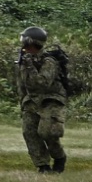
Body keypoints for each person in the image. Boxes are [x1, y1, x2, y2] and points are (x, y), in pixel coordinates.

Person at [14, 25, 71, 173]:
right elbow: (21, 83)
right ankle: (43, 165)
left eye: (27, 43)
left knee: (47, 132)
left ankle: (59, 157)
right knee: (29, 132)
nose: (24, 46)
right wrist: (22, 103)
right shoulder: (25, 60)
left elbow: (42, 83)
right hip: (31, 101)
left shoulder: (49, 62)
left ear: (35, 43)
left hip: (50, 99)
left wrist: (30, 67)